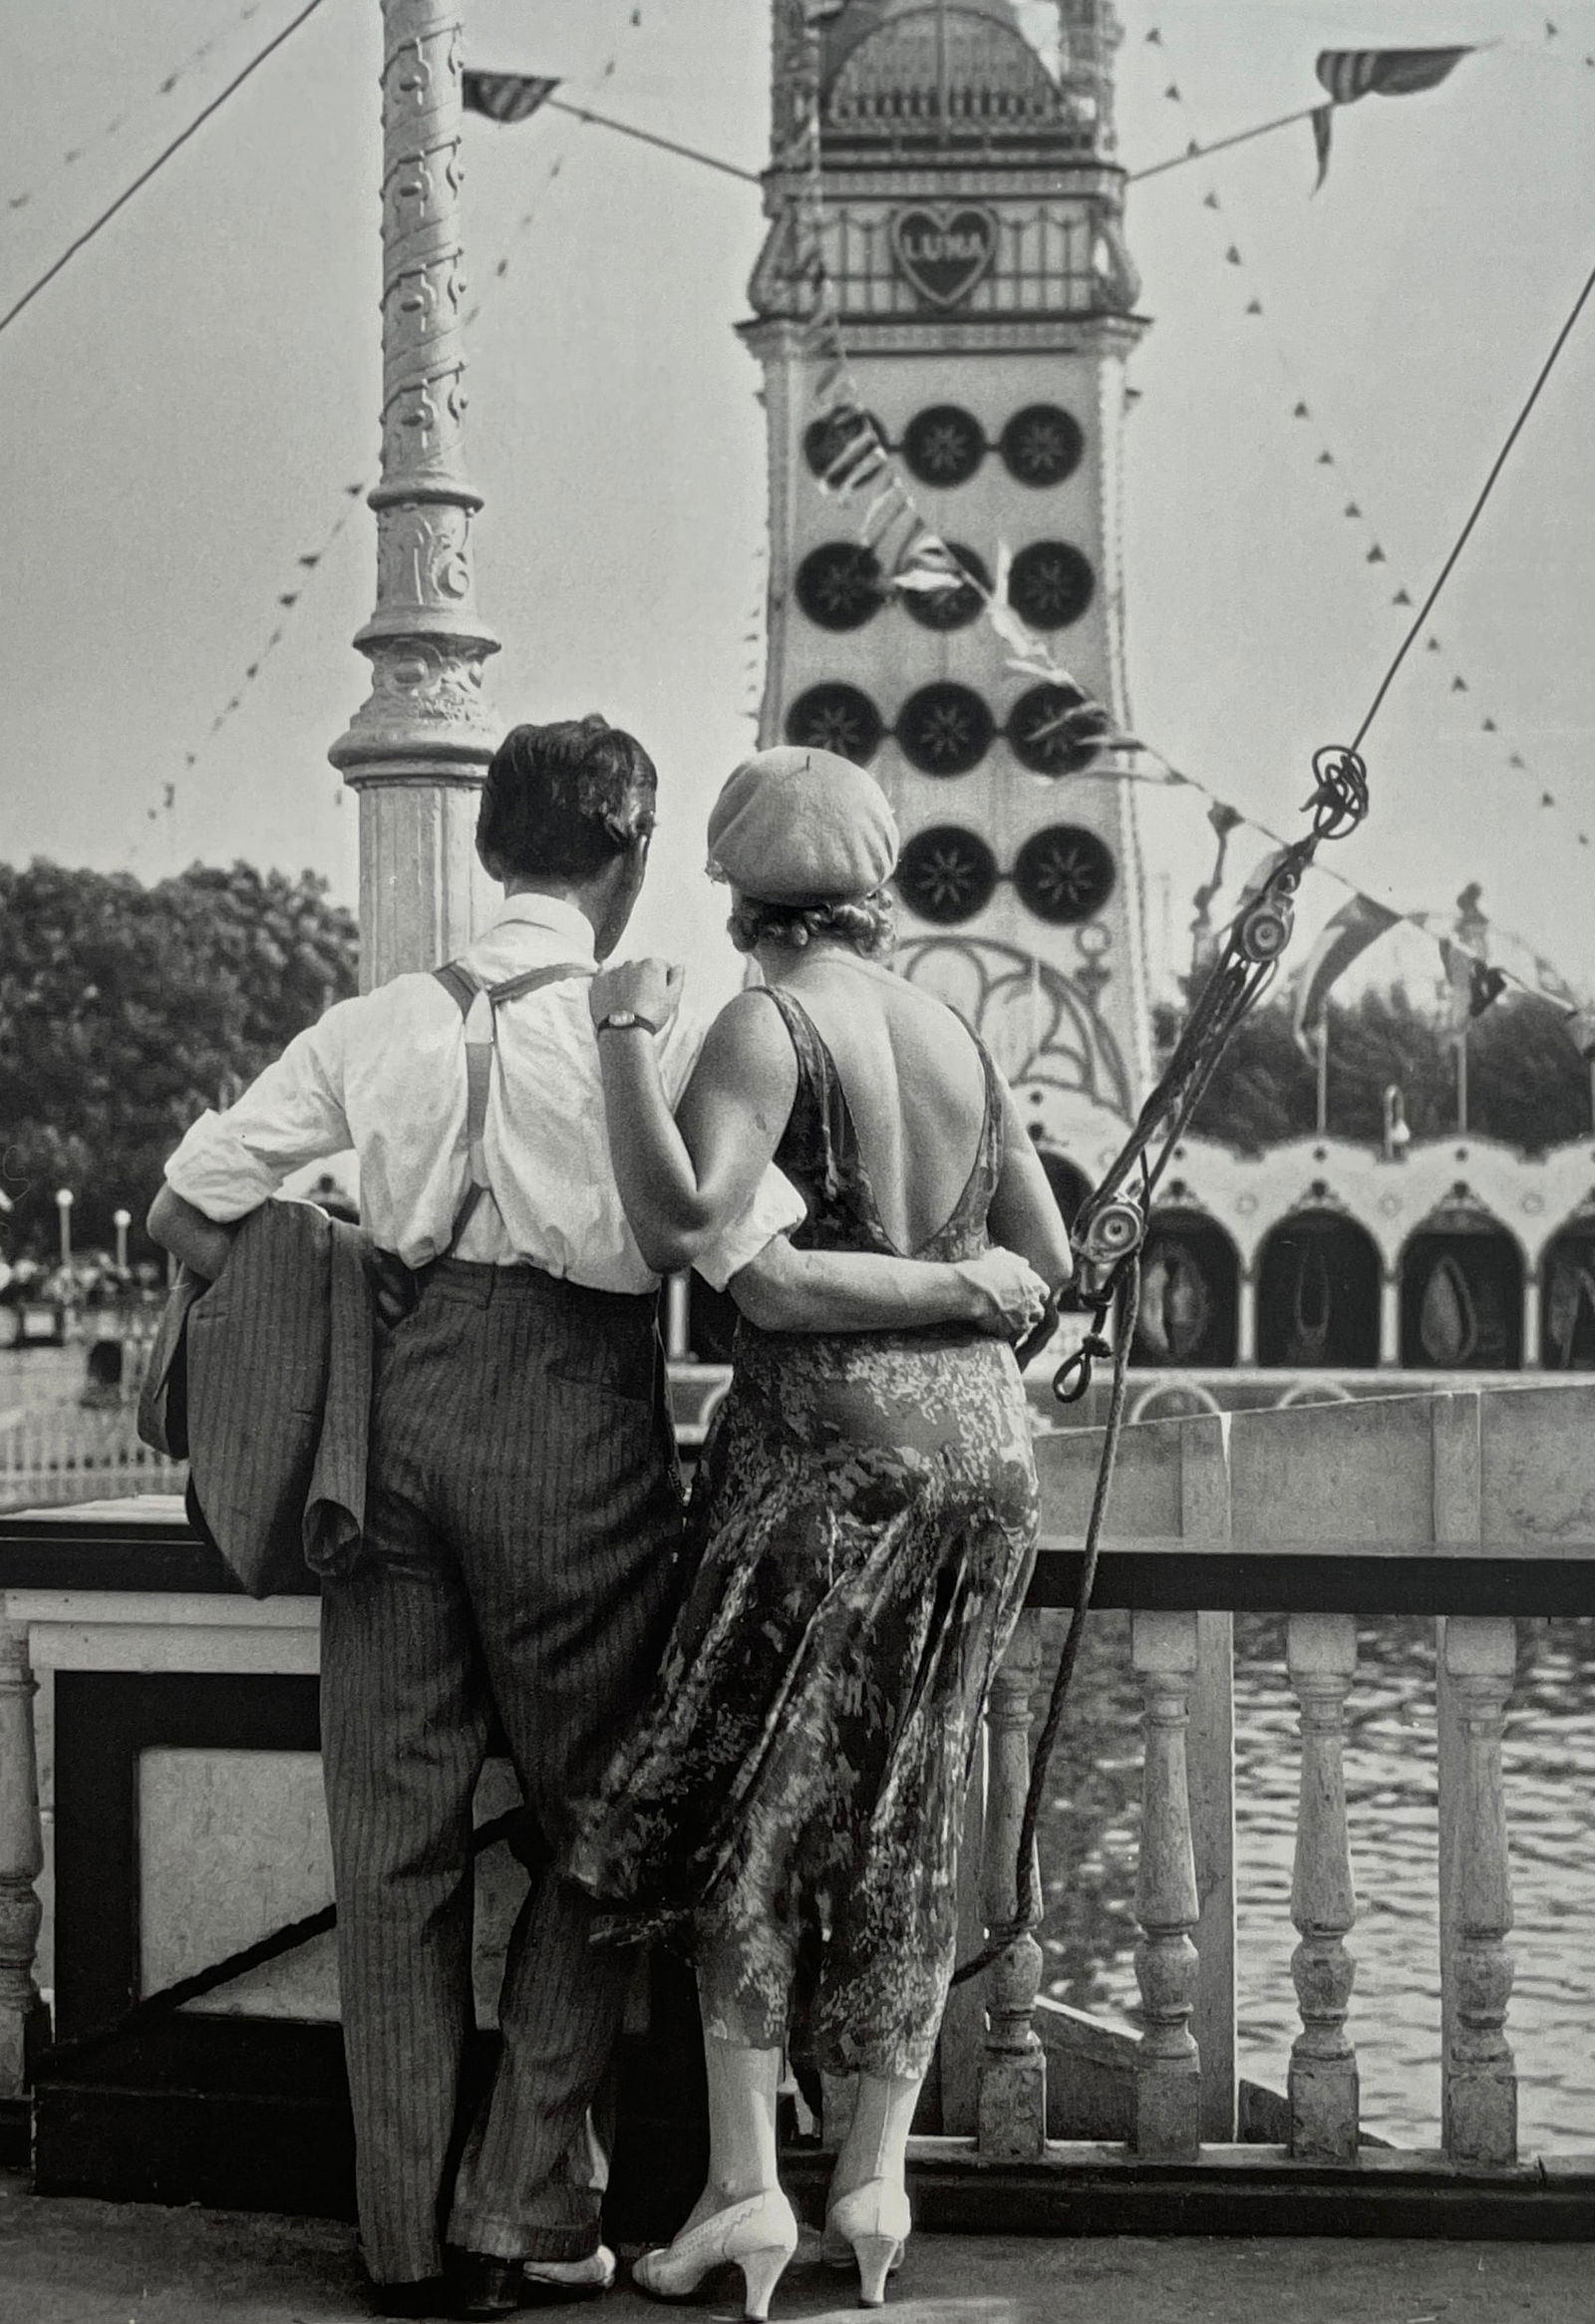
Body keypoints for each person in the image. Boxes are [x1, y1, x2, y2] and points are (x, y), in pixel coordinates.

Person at [148, 716, 1047, 2322]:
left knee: (395, 1840)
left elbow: (188, 1212)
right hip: (574, 1432)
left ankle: (403, 2245)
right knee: (612, 1827)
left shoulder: (374, 1024)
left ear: (489, 847)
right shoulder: (663, 1025)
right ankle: (519, 2206)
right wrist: (973, 1287)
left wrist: (354, 1274)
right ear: (629, 861)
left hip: (393, 1425)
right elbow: (745, 1259)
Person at [568, 745, 1076, 2317]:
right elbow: (1040, 1263)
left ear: (737, 895)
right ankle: (876, 2177)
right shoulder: (951, 1030)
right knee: (914, 1797)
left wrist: (621, 1040)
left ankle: (743, 2196)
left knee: (761, 1804)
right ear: (873, 889)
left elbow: (703, 1241)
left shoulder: (763, 1024)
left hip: (826, 1457)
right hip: (989, 1461)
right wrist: (959, 1288)